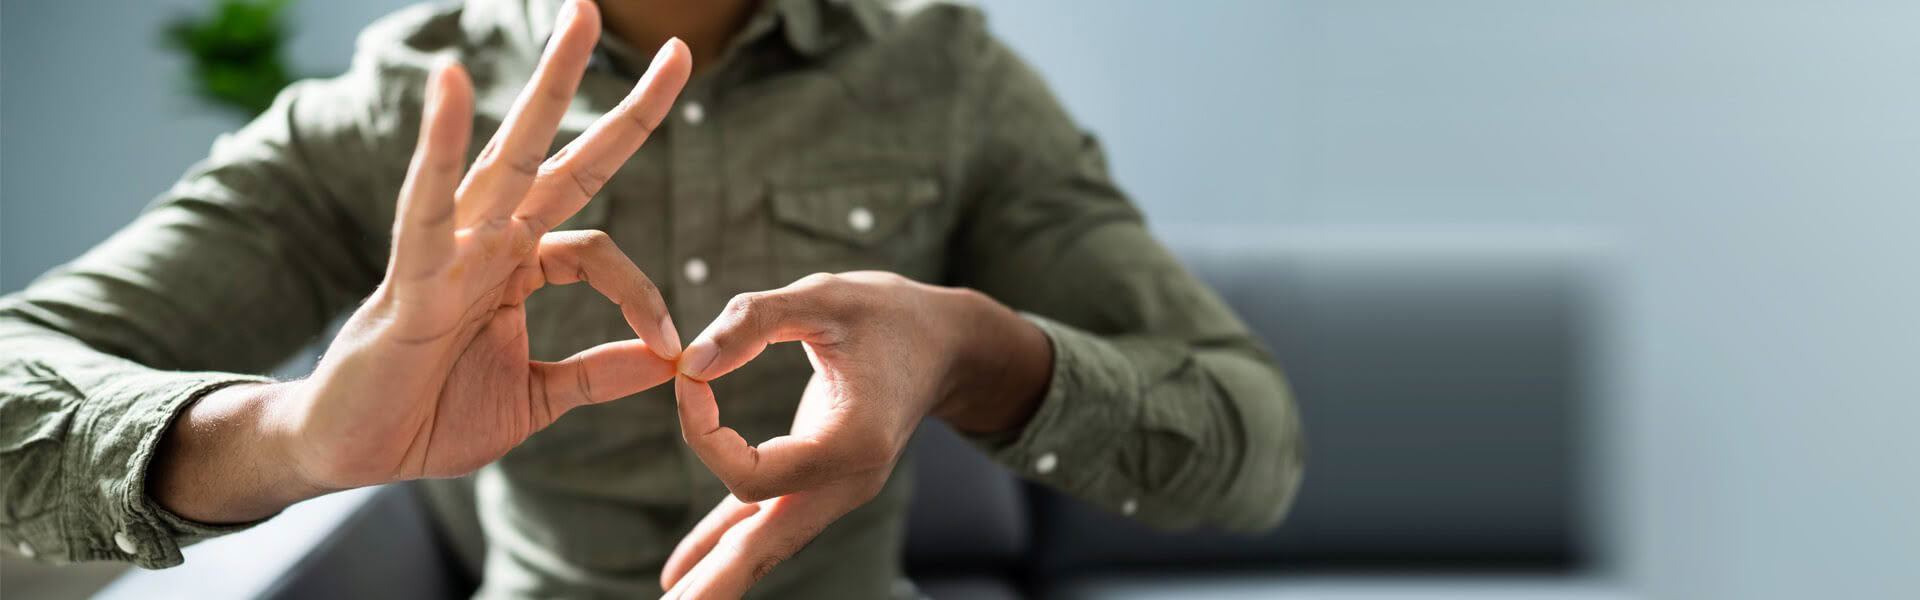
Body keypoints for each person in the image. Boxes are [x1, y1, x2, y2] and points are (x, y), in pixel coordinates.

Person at [0, 0, 1304, 597]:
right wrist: (289, 440)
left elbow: (1251, 448)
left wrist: (971, 349)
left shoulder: (946, 73)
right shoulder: (395, 109)